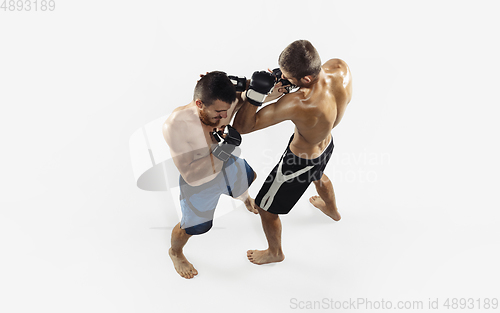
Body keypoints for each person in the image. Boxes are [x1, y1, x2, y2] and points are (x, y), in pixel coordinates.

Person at [233, 39, 353, 265]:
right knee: (317, 174)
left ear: (306, 79)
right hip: (326, 144)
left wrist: (256, 94)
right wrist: (289, 80)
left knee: (265, 208)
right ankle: (332, 211)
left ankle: (274, 253)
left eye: (288, 77)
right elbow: (315, 79)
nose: (284, 80)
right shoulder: (339, 67)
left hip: (298, 163)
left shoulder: (300, 102)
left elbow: (243, 127)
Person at [162, 71, 257, 279]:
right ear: (199, 104)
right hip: (199, 181)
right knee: (192, 227)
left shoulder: (225, 102)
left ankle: (244, 197)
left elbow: (262, 92)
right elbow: (190, 176)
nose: (224, 117)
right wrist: (225, 149)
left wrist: (261, 83)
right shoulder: (176, 125)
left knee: (250, 176)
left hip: (224, 162)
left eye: (227, 111)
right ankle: (175, 252)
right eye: (219, 112)